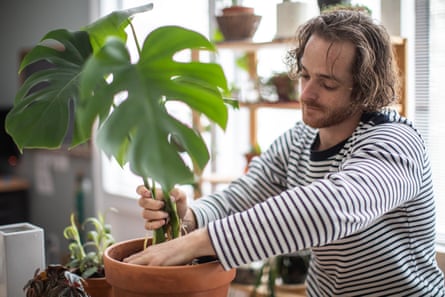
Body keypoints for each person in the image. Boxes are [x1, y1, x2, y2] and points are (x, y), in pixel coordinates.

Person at [124, 8, 445, 296]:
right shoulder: (299, 140)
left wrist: (196, 243)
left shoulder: (396, 143)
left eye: (327, 84)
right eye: (304, 74)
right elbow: (243, 196)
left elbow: (332, 207)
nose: (306, 93)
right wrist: (190, 216)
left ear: (364, 87)